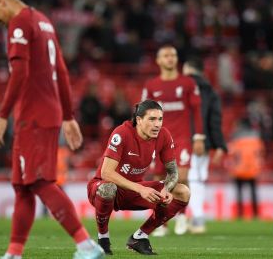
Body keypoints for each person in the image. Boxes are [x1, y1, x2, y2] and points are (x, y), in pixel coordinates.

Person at [0, 0, 104, 259]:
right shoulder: (43, 21)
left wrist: (1, 116)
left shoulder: (20, 22)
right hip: (44, 112)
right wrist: (67, 116)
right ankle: (14, 253)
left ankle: (85, 244)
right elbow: (62, 73)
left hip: (33, 115)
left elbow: (20, 73)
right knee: (22, 186)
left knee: (41, 182)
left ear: (0, 0)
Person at [87, 100, 190, 255]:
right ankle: (103, 239)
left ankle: (139, 237)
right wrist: (141, 189)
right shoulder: (122, 133)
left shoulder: (163, 135)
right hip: (103, 186)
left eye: (160, 119)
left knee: (183, 191)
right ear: (139, 120)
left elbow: (173, 172)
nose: (157, 124)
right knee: (108, 188)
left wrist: (166, 189)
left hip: (134, 190)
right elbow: (106, 173)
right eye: (152, 119)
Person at [141, 45, 205, 236]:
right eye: (166, 56)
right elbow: (141, 113)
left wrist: (199, 137)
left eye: (173, 55)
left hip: (182, 138)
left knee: (182, 177)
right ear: (159, 61)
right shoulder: (151, 86)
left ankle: (182, 217)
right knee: (159, 181)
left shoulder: (188, 83)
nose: (170, 58)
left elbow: (197, 111)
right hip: (157, 139)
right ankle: (161, 222)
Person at [182, 57, 227, 233]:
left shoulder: (182, 87)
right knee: (197, 178)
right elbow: (215, 120)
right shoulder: (210, 90)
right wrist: (219, 145)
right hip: (204, 141)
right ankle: (196, 219)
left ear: (186, 67)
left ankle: (186, 217)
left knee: (184, 179)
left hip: (181, 139)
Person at [227, 118, 264, 220]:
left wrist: (231, 168)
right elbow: (260, 154)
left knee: (239, 193)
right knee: (253, 193)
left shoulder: (235, 138)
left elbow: (232, 154)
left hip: (239, 170)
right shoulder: (255, 138)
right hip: (252, 170)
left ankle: (240, 214)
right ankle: (256, 214)